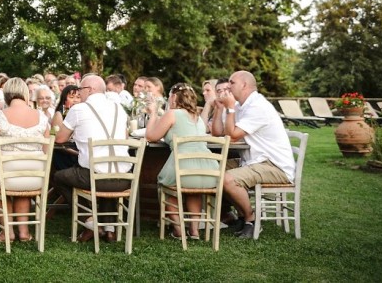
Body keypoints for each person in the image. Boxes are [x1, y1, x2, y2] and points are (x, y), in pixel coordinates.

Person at [216, 70, 296, 238]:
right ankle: (236, 215)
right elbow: (222, 133)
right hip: (254, 160)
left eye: (232, 83)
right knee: (212, 169)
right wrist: (223, 108)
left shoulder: (258, 106)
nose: (228, 87)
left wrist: (230, 109)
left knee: (227, 179)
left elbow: (231, 136)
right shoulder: (242, 106)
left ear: (244, 85)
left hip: (274, 165)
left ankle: (251, 219)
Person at [53, 74, 131, 243]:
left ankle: (90, 222)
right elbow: (125, 136)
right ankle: (110, 229)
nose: (79, 94)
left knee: (59, 177)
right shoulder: (119, 108)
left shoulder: (78, 109)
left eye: (80, 89)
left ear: (90, 90)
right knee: (107, 169)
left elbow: (59, 139)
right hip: (124, 179)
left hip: (97, 179)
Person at [145, 83, 218, 240]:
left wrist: (152, 114)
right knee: (193, 190)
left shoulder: (172, 114)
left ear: (172, 97)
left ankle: (178, 229)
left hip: (183, 166)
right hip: (208, 170)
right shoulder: (198, 118)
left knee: (166, 186)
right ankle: (194, 231)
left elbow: (151, 136)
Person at [0, 77, 50, 243]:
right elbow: (46, 152)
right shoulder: (42, 118)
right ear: (26, 95)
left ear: (6, 96)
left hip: (7, 179)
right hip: (35, 180)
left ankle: (7, 232)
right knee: (22, 182)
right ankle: (24, 232)